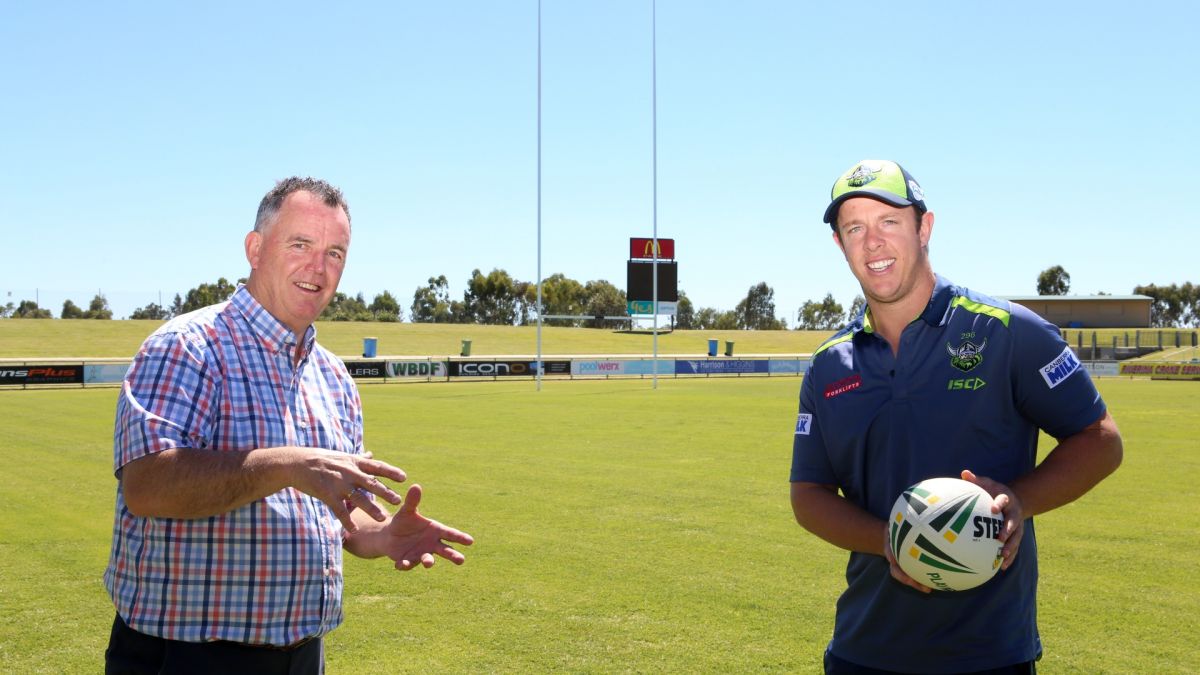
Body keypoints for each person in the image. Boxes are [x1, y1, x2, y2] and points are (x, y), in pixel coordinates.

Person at [103, 177, 473, 674]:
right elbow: (147, 486)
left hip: (302, 654)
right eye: (300, 244)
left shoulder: (333, 376)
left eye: (335, 253)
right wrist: (288, 465)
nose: (318, 267)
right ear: (255, 249)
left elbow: (340, 513)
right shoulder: (187, 346)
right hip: (187, 655)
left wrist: (381, 534)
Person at [789, 160, 1123, 674]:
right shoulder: (828, 365)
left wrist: (1020, 499)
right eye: (854, 228)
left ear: (925, 227)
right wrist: (888, 539)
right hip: (863, 650)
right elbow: (808, 496)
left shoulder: (1011, 333)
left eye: (889, 222)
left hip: (989, 655)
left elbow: (1100, 439)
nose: (872, 242)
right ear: (840, 245)